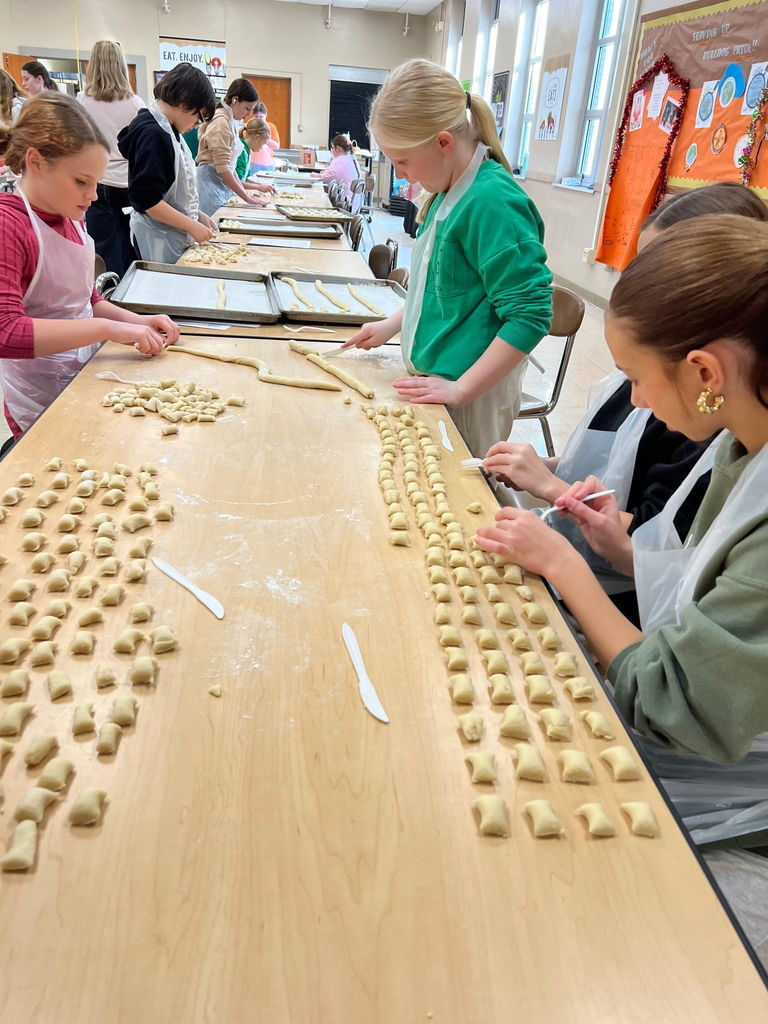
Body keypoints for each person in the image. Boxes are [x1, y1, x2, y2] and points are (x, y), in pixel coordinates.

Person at [477, 214, 768, 773]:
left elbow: (673, 706)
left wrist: (565, 566)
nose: (634, 402)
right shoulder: (743, 446)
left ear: (705, 373)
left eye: (636, 376)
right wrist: (622, 548)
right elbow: (706, 591)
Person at [482, 182, 768, 625]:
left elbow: (676, 675)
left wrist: (562, 547)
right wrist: (555, 477)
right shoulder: (697, 399)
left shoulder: (712, 427)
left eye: (656, 272)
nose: (637, 399)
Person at [344, 59, 552, 458]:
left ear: (443, 142)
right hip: (438, 380)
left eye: (403, 161)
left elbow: (530, 315)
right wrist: (391, 324)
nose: (402, 176)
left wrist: (462, 388)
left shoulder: (493, 203)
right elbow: (441, 288)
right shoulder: (446, 192)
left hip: (473, 394)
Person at [0, 92, 175, 439]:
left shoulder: (68, 214)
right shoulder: (10, 224)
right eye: (82, 181)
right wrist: (107, 331)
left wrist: (136, 321)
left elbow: (84, 300)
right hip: (39, 398)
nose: (94, 195)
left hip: (81, 377)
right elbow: (6, 332)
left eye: (96, 182)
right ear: (35, 161)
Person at [118, 62, 216, 264]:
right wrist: (191, 225)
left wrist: (196, 215)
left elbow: (168, 192)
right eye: (198, 118)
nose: (195, 125)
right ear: (183, 101)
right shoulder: (153, 133)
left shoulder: (167, 129)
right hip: (156, 236)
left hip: (165, 233)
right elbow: (149, 201)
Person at [77, 40, 145, 276]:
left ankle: (106, 295)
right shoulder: (135, 104)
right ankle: (130, 299)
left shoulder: (81, 102)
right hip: (126, 184)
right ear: (121, 66)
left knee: (103, 248)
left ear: (92, 65)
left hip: (95, 182)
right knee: (131, 247)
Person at [195, 78, 276, 215]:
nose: (248, 115)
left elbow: (230, 167)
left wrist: (245, 193)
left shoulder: (230, 120)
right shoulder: (221, 122)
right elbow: (223, 169)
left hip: (218, 183)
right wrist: (247, 198)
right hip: (210, 183)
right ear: (235, 100)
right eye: (247, 108)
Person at [311, 135, 360, 201]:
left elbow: (325, 178)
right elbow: (335, 174)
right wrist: (324, 173)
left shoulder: (339, 161)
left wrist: (313, 175)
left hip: (344, 201)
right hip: (354, 201)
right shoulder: (352, 159)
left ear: (338, 148)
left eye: (332, 148)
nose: (332, 150)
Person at [236, 116, 270, 180]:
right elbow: (237, 181)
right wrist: (258, 187)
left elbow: (246, 178)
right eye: (262, 144)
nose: (262, 147)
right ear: (257, 137)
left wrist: (260, 185)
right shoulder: (241, 151)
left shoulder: (247, 151)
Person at [249, 102, 279, 172]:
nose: (259, 119)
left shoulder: (271, 127)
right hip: (253, 162)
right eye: (256, 116)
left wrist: (264, 137)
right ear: (253, 116)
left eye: (261, 117)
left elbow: (276, 146)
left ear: (266, 115)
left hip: (269, 163)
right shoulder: (249, 127)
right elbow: (247, 144)